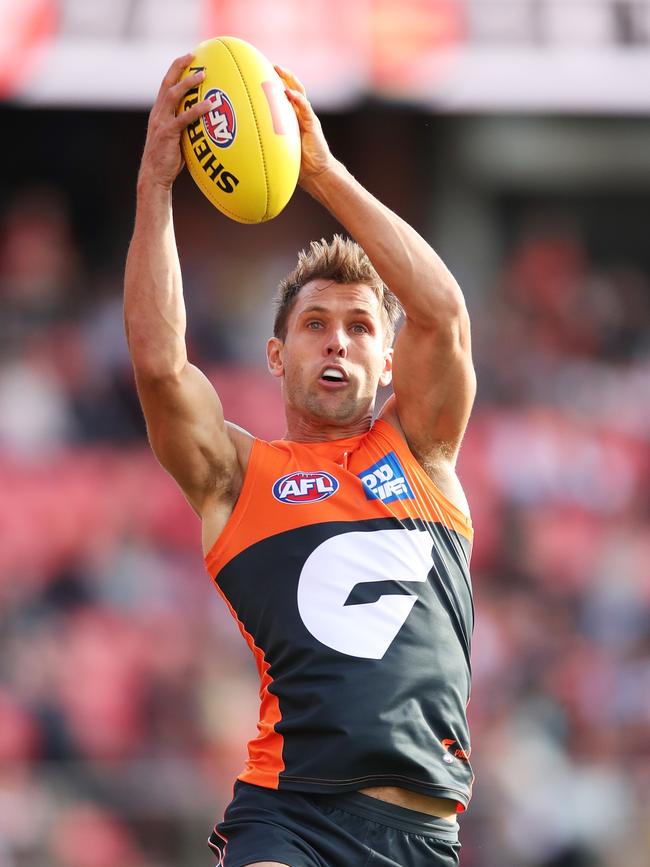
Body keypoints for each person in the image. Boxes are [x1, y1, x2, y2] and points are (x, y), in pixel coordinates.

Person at [124, 52, 476, 867]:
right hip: (292, 813)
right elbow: (158, 366)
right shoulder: (237, 477)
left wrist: (321, 170)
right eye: (316, 323)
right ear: (277, 356)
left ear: (389, 363)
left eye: (360, 327)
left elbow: (442, 313)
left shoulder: (421, 451)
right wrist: (154, 184)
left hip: (424, 833)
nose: (338, 341)